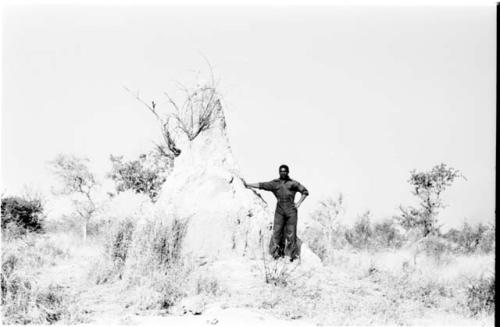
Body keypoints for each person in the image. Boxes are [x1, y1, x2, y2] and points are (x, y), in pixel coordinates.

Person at [243, 165, 309, 261]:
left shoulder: (293, 183)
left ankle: (290, 256)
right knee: (277, 232)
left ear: (288, 172)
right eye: (281, 171)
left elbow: (305, 192)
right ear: (279, 172)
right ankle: (274, 255)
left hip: (291, 211)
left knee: (291, 234)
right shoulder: (275, 184)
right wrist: (248, 185)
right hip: (280, 211)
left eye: (285, 171)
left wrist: (298, 203)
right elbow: (262, 185)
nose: (283, 173)